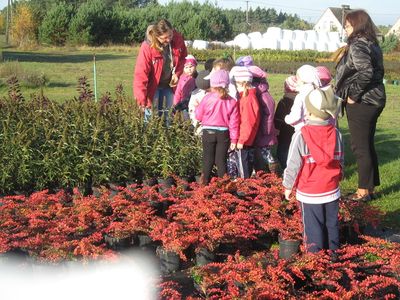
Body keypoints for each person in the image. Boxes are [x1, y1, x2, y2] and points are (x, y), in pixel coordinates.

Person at [283, 87, 344, 253]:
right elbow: (340, 159)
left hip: (309, 193)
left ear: (309, 111)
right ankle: (334, 255)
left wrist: (288, 186)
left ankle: (315, 261)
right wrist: (340, 176)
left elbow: (293, 165)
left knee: (312, 227)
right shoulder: (336, 133)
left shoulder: (301, 135)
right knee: (332, 224)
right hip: (331, 189)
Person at [334, 9, 386, 201]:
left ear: (357, 25)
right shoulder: (372, 44)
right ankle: (370, 187)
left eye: (348, 25)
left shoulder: (358, 44)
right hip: (374, 99)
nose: (345, 29)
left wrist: (353, 95)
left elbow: (366, 72)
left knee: (360, 147)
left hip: (364, 101)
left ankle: (363, 191)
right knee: (367, 144)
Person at [133, 19, 187, 121]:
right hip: (153, 87)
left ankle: (168, 135)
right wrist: (141, 100)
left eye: (170, 35)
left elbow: (183, 57)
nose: (168, 40)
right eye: (164, 38)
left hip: (169, 86)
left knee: (170, 117)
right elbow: (140, 75)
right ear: (156, 36)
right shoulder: (147, 47)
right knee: (151, 118)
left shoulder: (178, 39)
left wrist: (177, 73)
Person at [195, 70, 239, 184]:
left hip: (208, 131)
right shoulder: (232, 101)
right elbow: (234, 123)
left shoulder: (207, 98)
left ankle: (203, 184)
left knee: (207, 159)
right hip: (223, 133)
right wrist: (234, 139)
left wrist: (197, 108)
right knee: (221, 161)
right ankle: (223, 186)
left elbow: (198, 116)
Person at [247, 65, 278, 173]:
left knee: (265, 153)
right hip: (256, 128)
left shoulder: (263, 95)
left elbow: (269, 113)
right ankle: (259, 174)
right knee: (256, 152)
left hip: (262, 130)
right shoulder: (254, 93)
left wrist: (267, 130)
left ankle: (273, 175)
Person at [231, 66, 260, 179]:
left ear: (243, 83)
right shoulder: (247, 96)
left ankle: (244, 189)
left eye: (237, 84)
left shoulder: (248, 99)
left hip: (244, 140)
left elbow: (248, 121)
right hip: (247, 138)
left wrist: (242, 140)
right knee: (246, 164)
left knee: (243, 167)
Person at [284, 65, 321, 132]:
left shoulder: (300, 96)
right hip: (317, 130)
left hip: (302, 131)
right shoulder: (318, 93)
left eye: (298, 79)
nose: (297, 82)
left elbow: (296, 116)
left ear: (303, 80)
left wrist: (287, 118)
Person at [274, 75, 298, 170]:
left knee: (282, 153)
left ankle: (287, 168)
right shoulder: (299, 101)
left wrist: (276, 130)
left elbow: (278, 118)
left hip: (284, 133)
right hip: (296, 132)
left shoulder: (283, 102)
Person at [188, 70, 210, 135]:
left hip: (202, 123)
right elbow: (191, 109)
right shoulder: (195, 93)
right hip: (202, 124)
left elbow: (191, 109)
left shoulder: (195, 93)